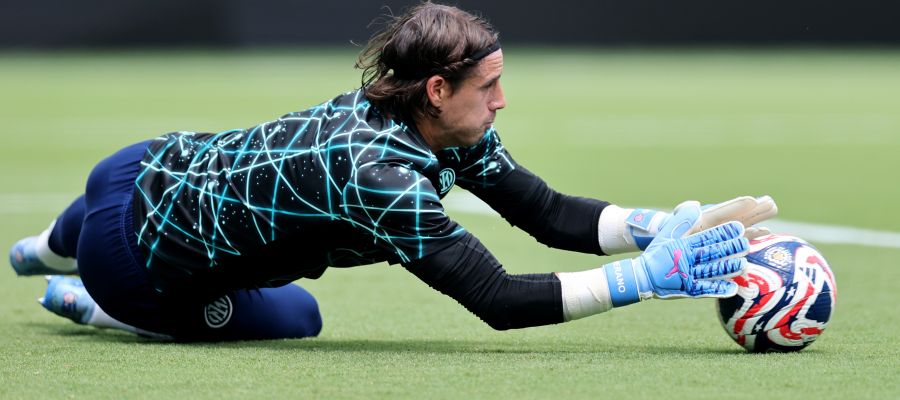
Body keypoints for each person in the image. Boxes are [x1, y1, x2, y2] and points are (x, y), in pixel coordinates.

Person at [8, 2, 776, 341]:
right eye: (490, 87)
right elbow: (498, 299)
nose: (503, 101)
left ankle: (42, 246)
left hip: (138, 162)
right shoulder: (380, 176)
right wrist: (643, 279)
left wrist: (665, 227)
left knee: (119, 198)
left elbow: (545, 211)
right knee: (296, 317)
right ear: (438, 89)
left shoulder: (421, 115)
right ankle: (101, 304)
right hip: (134, 264)